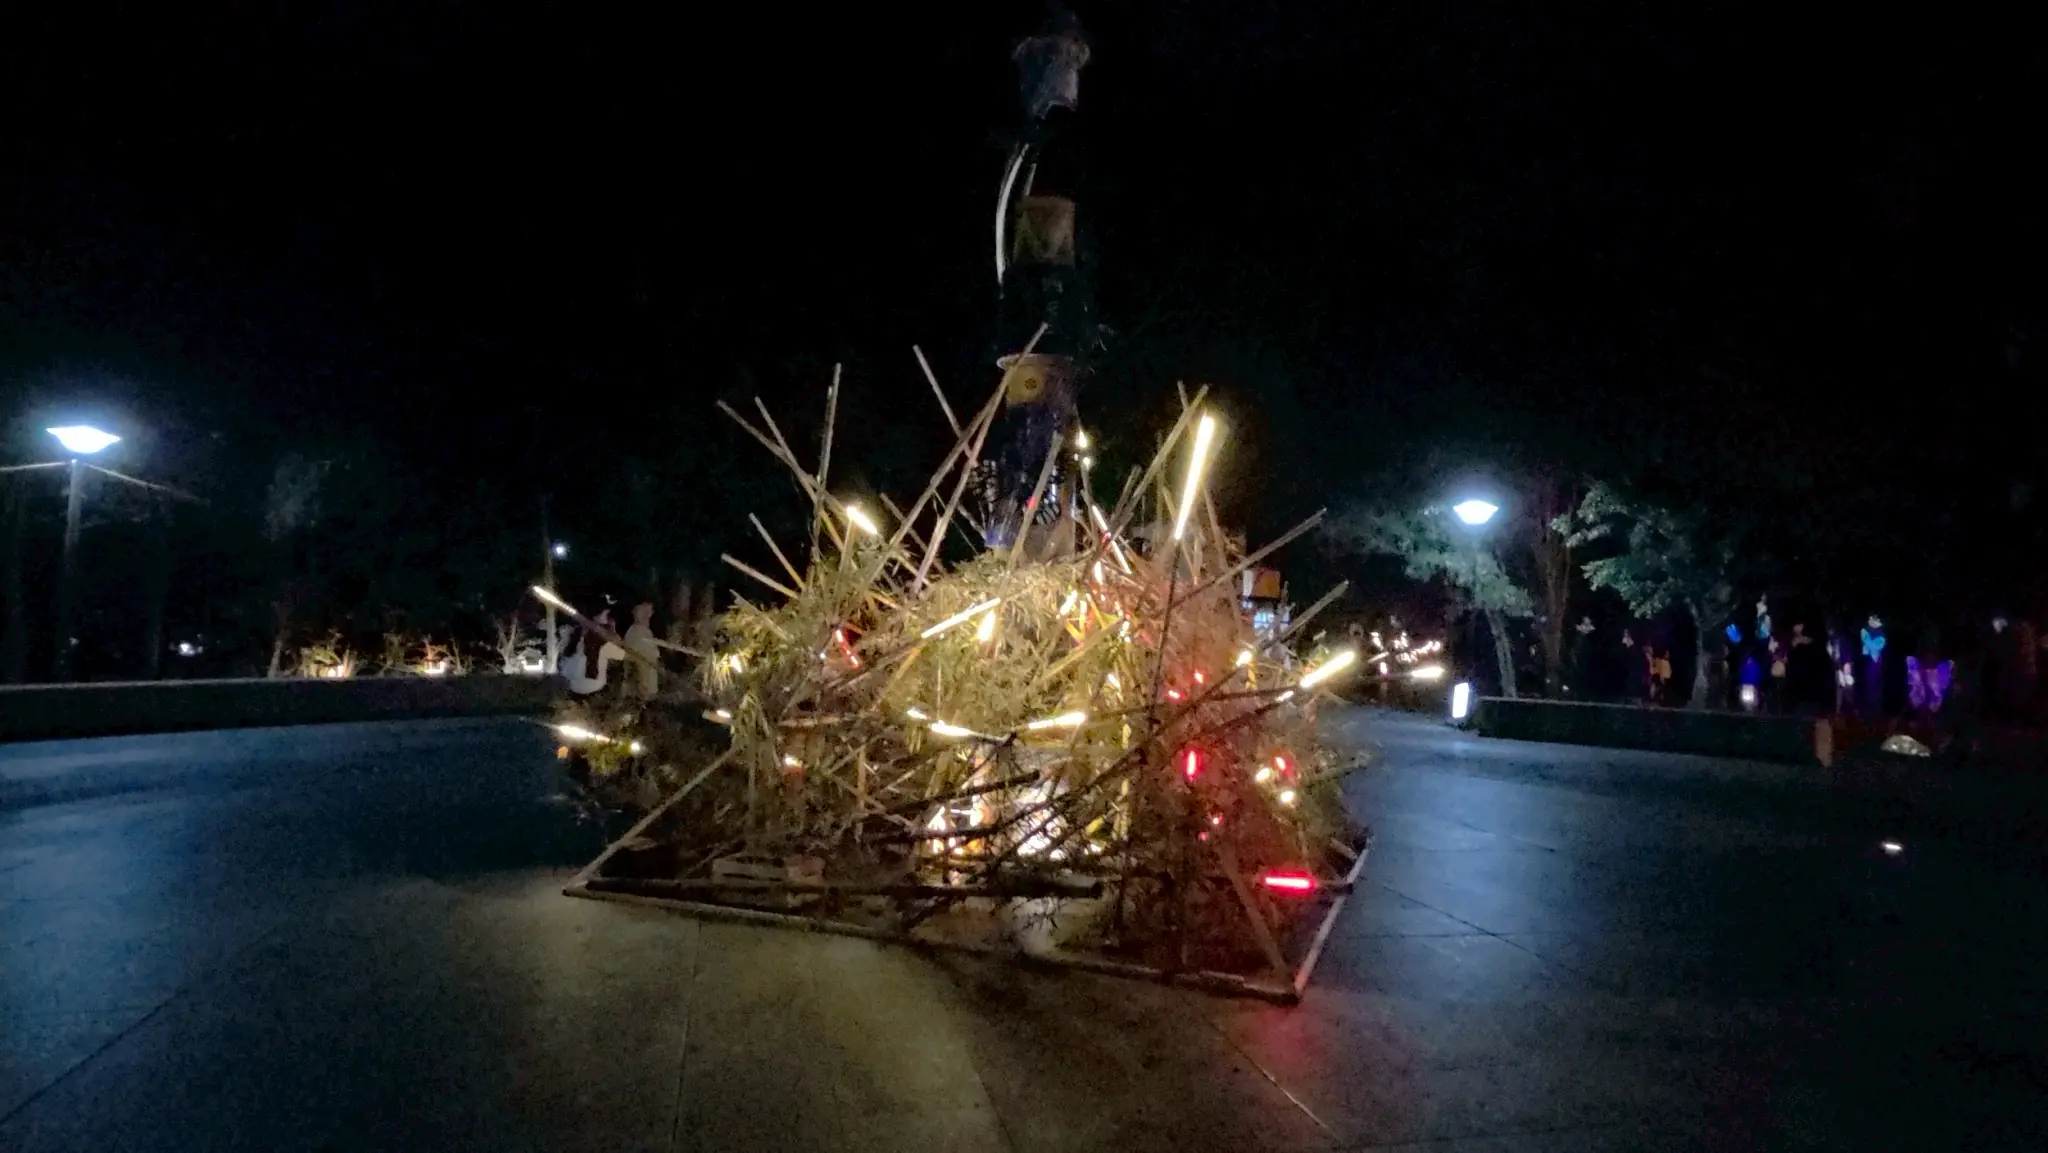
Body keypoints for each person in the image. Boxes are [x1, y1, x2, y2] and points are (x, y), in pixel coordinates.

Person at [560, 608, 624, 696]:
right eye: (605, 616)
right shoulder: (589, 637)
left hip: (578, 683)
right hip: (587, 683)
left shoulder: (581, 635)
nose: (607, 620)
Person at [623, 601, 661, 699]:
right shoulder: (641, 632)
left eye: (650, 611)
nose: (648, 615)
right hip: (643, 684)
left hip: (636, 683)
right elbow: (652, 655)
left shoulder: (633, 631)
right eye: (646, 611)